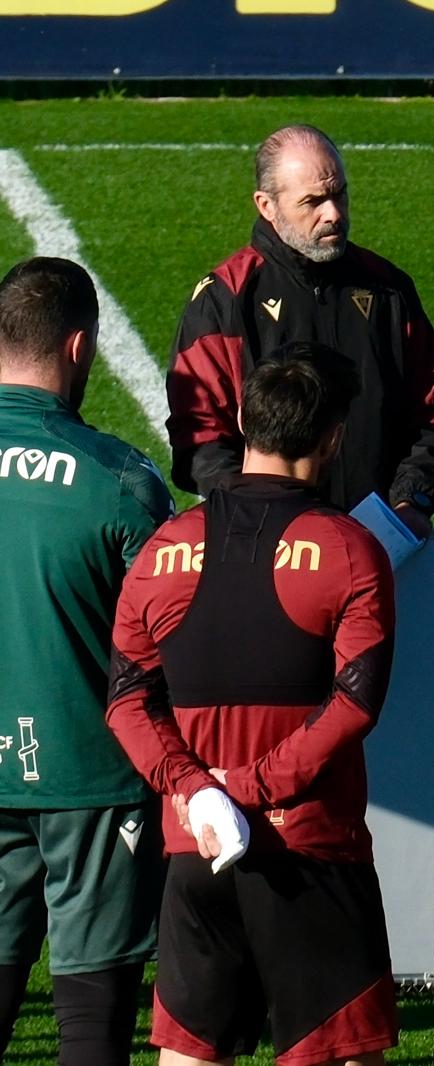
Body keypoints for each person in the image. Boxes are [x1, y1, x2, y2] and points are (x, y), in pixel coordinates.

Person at [108, 342, 398, 1066]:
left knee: (192, 1055)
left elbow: (125, 701)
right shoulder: (350, 550)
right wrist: (247, 790)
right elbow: (355, 703)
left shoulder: (163, 551)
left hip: (195, 854)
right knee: (337, 1053)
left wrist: (196, 791)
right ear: (333, 438)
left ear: (241, 421)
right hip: (310, 852)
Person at [0, 257, 172, 1064]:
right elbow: (168, 641)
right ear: (79, 349)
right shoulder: (119, 482)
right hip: (92, 782)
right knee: (92, 1029)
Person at [166, 123, 434, 535]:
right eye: (313, 201)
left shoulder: (389, 289)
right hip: (272, 548)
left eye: (339, 194)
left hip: (380, 545)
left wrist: (412, 501)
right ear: (267, 205)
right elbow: (199, 436)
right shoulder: (225, 300)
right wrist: (258, 514)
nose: (333, 213)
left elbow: (430, 411)